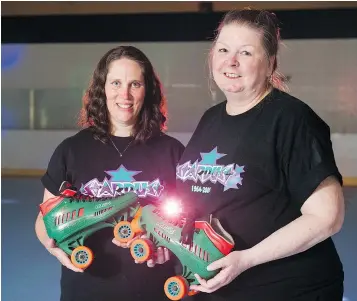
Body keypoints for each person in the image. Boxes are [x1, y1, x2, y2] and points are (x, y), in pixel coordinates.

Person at [175, 8, 345, 301]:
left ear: (270, 64)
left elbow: (327, 217)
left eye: (246, 53)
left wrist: (247, 259)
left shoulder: (292, 119)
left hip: (286, 289)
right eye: (224, 49)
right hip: (220, 289)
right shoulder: (210, 118)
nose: (231, 61)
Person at [35, 45, 185, 301]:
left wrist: (171, 247)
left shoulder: (173, 152)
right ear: (102, 88)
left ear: (147, 90)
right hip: (86, 291)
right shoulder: (71, 150)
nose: (124, 94)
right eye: (116, 83)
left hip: (154, 291)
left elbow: (187, 221)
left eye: (134, 84)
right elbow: (44, 220)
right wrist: (53, 248)